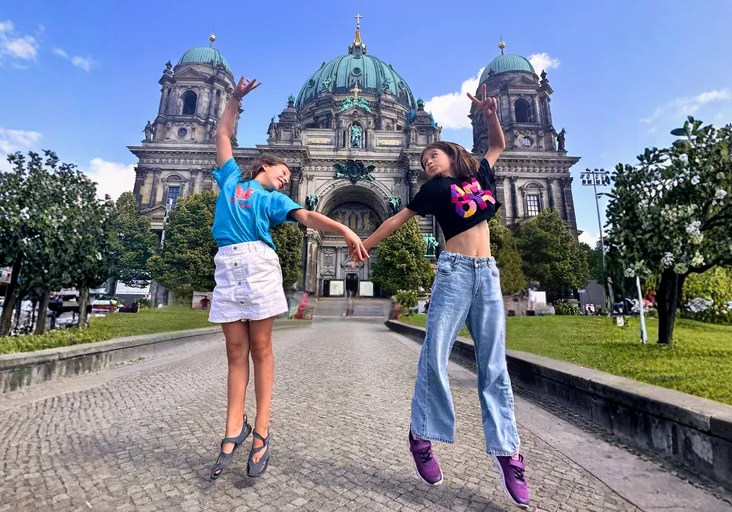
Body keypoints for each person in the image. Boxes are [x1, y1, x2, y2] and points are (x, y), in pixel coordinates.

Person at [355, 84, 529, 507]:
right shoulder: (431, 191)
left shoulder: (479, 175)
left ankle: (509, 454)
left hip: (487, 274)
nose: (427, 160)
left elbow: (499, 144)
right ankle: (421, 437)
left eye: (433, 154)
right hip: (452, 273)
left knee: (494, 368)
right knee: (434, 356)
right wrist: (365, 242)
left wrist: (489, 113)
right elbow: (398, 219)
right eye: (422, 159)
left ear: (452, 154)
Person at [208, 76, 368, 480]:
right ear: (265, 163)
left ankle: (261, 429)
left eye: (287, 175)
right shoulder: (229, 178)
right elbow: (223, 133)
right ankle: (233, 427)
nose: (285, 178)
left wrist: (346, 230)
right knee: (233, 354)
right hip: (228, 265)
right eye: (281, 171)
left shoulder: (278, 199)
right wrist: (235, 99)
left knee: (260, 349)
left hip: (258, 263)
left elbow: (310, 217)